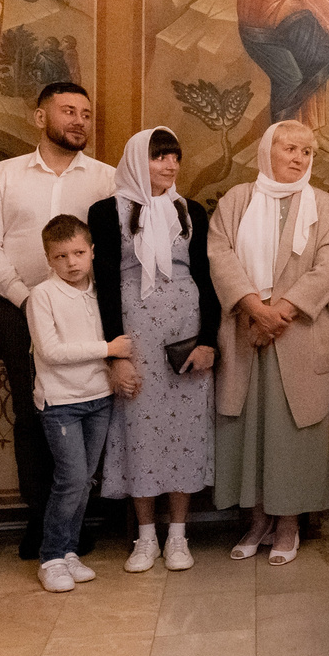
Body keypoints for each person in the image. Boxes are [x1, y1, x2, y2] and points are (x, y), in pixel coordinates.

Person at [0, 80, 112, 561]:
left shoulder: (107, 179)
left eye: (86, 114)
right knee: (37, 414)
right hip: (17, 309)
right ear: (40, 117)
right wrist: (25, 297)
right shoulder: (3, 176)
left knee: (89, 408)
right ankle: (40, 521)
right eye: (68, 111)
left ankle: (77, 521)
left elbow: (113, 251)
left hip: (87, 315)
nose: (79, 121)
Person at [210, 120, 329, 564]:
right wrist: (255, 309)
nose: (299, 158)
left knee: (293, 431)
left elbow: (327, 266)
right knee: (249, 429)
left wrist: (279, 313)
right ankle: (258, 519)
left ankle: (289, 524)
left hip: (298, 336)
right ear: (267, 150)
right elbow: (220, 255)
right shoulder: (236, 201)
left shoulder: (323, 206)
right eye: (290, 148)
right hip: (247, 334)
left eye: (307, 152)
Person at [87, 127, 219, 573]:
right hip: (135, 335)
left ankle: (178, 536)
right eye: (160, 157)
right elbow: (103, 282)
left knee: (184, 429)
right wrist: (114, 353)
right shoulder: (106, 212)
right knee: (139, 431)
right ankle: (145, 538)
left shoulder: (191, 211)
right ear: (136, 161)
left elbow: (206, 276)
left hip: (185, 332)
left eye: (175, 157)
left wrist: (208, 341)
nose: (170, 165)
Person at [24, 215, 128, 594]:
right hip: (62, 403)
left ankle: (69, 551)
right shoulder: (43, 296)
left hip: (98, 398)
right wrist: (108, 349)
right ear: (49, 259)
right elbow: (50, 352)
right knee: (69, 480)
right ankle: (50, 557)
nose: (72, 262)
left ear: (92, 252)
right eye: (61, 255)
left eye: (79, 252)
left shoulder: (99, 291)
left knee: (84, 482)